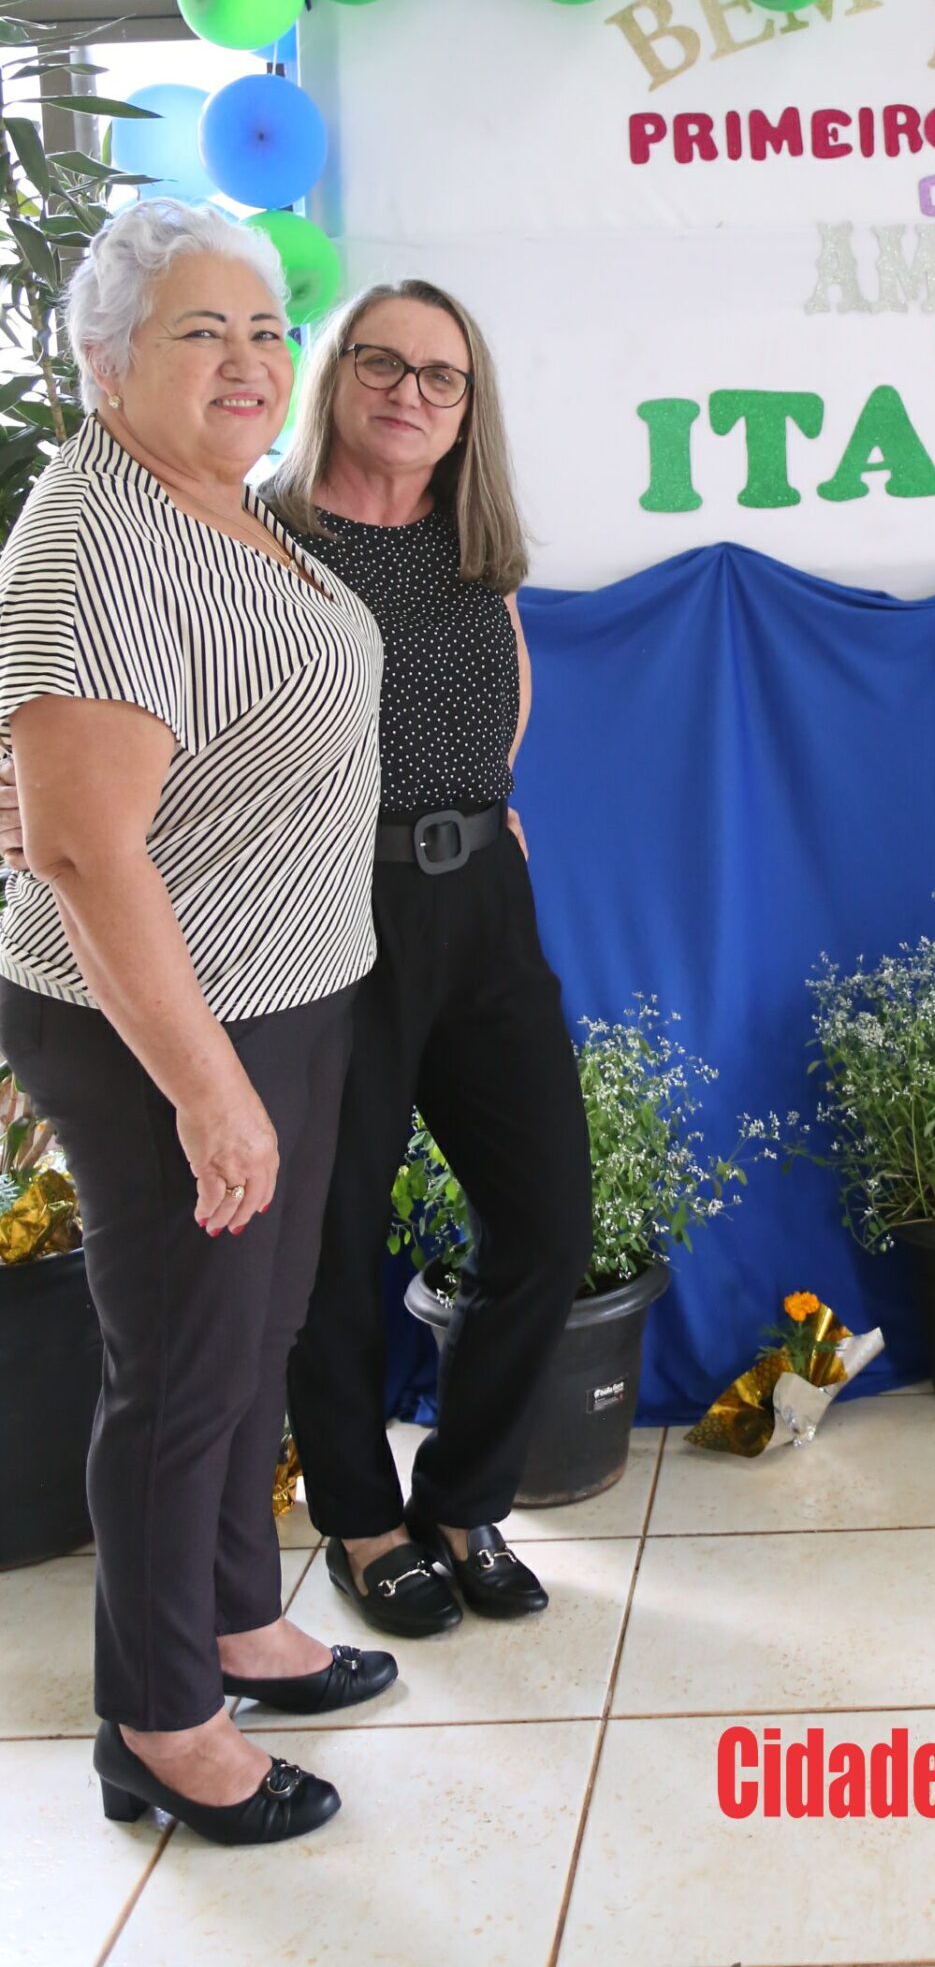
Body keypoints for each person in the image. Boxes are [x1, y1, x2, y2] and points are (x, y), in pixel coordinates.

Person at [0, 201, 393, 1850]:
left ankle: (235, 1619)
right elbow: (87, 850)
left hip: (277, 988)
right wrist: (210, 1089)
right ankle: (161, 1724)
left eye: (265, 331)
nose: (249, 364)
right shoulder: (99, 541)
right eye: (199, 333)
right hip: (175, 1027)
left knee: (250, 1339)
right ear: (105, 365)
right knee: (180, 1373)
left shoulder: (213, 502)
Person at [265, 279, 592, 1634]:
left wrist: (476, 809)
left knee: (549, 1218)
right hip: (327, 911)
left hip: (481, 909)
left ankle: (463, 1499)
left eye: (441, 376)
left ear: (468, 409)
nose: (411, 392)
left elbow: (502, 692)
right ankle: (359, 1518)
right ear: (334, 373)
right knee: (335, 1238)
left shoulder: (474, 543)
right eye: (384, 363)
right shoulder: (261, 535)